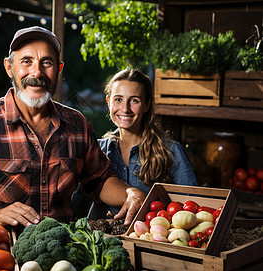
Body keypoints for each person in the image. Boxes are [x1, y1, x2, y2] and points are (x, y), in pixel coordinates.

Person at [0, 26, 145, 228]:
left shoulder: (77, 125)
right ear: (9, 68)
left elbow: (100, 180)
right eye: (26, 61)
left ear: (58, 69)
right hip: (2, 251)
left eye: (46, 63)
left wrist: (129, 192)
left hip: (62, 252)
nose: (37, 72)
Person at [85, 68, 198, 219]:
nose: (125, 109)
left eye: (134, 100)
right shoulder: (97, 150)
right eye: (118, 99)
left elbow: (190, 209)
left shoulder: (171, 151)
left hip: (148, 240)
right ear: (108, 102)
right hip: (102, 240)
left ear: (146, 104)